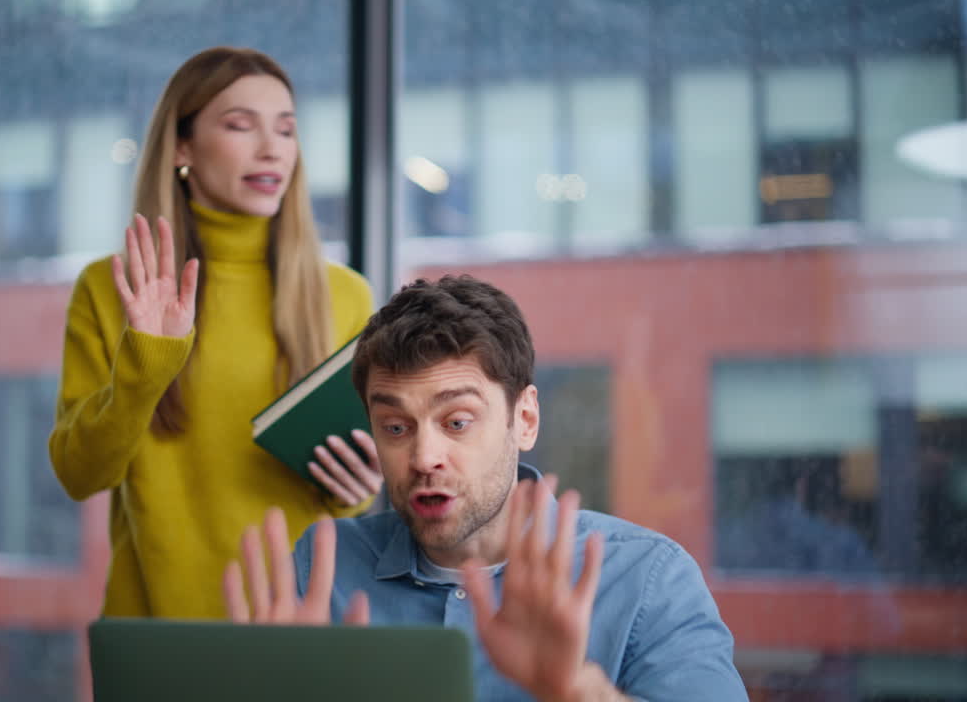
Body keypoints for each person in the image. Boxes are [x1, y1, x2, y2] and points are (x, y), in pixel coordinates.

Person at [223, 275, 748, 701]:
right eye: (396, 428)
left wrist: (576, 691)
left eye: (457, 422)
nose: (423, 457)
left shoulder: (649, 579)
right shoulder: (322, 570)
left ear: (525, 419)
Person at [49, 47, 384, 619]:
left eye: (286, 129)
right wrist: (148, 361)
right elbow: (81, 475)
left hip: (299, 633)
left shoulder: (345, 295)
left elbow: (350, 503)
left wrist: (360, 486)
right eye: (240, 125)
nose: (272, 148)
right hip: (157, 633)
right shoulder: (111, 289)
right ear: (182, 147)